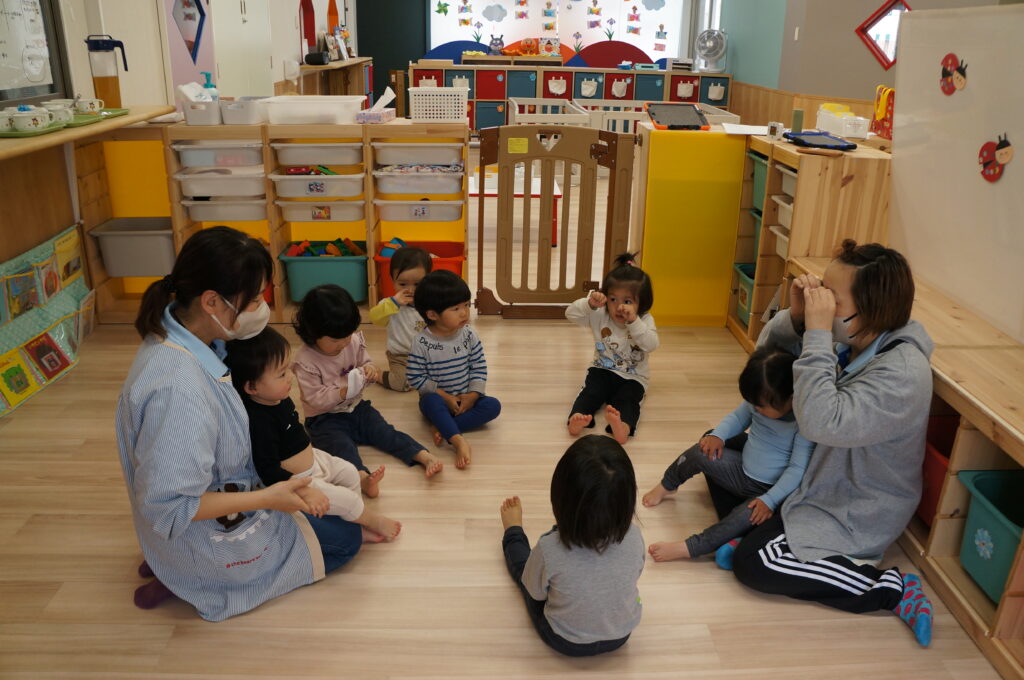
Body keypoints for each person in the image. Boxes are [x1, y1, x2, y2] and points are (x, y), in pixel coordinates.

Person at [117, 226, 362, 621]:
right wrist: (269, 498)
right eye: (255, 299)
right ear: (212, 301)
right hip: (202, 533)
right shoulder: (179, 391)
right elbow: (171, 509)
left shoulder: (181, 330)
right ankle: (186, 576)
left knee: (331, 506)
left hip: (205, 508)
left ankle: (170, 566)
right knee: (347, 538)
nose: (263, 308)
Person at [728, 240, 936, 647]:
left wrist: (819, 334)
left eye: (831, 299)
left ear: (870, 311)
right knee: (727, 459)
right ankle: (771, 537)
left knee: (752, 563)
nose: (820, 301)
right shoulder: (856, 339)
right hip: (818, 471)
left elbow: (820, 422)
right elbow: (765, 363)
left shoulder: (902, 374)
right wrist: (798, 319)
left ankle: (889, 588)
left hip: (855, 504)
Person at [224, 327, 401, 541]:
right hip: (300, 481)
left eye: (288, 369)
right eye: (282, 374)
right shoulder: (258, 422)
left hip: (314, 459)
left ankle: (354, 523)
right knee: (349, 500)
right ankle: (372, 522)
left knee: (350, 473)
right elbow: (268, 471)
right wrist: (304, 491)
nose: (291, 377)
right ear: (252, 387)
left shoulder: (278, 397)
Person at [642, 346, 813, 562]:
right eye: (753, 404)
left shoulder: (804, 422)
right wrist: (719, 435)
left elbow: (797, 470)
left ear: (791, 397)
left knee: (740, 519)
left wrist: (769, 500)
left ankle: (689, 548)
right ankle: (668, 485)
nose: (756, 409)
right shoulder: (759, 400)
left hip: (768, 491)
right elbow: (737, 418)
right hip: (742, 468)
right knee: (703, 447)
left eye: (761, 406)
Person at [499, 435, 644, 656]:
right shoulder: (635, 536)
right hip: (621, 636)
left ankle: (513, 530)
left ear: (560, 496)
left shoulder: (549, 548)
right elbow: (636, 573)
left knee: (525, 572)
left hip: (565, 641)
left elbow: (535, 593)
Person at [293, 284, 444, 492]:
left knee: (385, 432)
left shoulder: (352, 342)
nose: (344, 343)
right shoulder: (305, 361)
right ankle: (362, 478)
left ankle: (422, 455)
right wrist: (343, 391)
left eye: (348, 334)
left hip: (357, 407)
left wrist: (370, 370)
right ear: (312, 333)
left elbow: (365, 362)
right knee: (341, 448)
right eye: (336, 339)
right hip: (324, 419)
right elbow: (314, 398)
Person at [407, 270, 501, 469]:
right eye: (456, 308)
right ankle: (457, 440)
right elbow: (415, 377)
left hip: (466, 400)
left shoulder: (469, 334)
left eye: (466, 305)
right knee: (430, 402)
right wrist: (445, 397)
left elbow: (478, 365)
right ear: (432, 314)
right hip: (439, 400)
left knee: (493, 406)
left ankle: (442, 426)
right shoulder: (421, 342)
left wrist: (473, 395)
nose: (464, 312)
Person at [565, 253, 658, 444]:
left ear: (642, 303)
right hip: (601, 369)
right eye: (613, 299)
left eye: (628, 301)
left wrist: (634, 322)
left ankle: (623, 426)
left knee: (629, 399)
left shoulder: (644, 320)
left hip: (633, 377)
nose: (619, 307)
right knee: (590, 391)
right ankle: (577, 419)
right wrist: (589, 305)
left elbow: (651, 345)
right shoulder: (600, 313)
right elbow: (571, 314)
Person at [369, 247, 432, 392]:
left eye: (417, 284)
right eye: (402, 284)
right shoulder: (389, 304)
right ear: (393, 281)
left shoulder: (431, 303)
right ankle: (378, 375)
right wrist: (394, 303)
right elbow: (374, 318)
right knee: (401, 383)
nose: (410, 290)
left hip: (428, 356)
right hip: (400, 357)